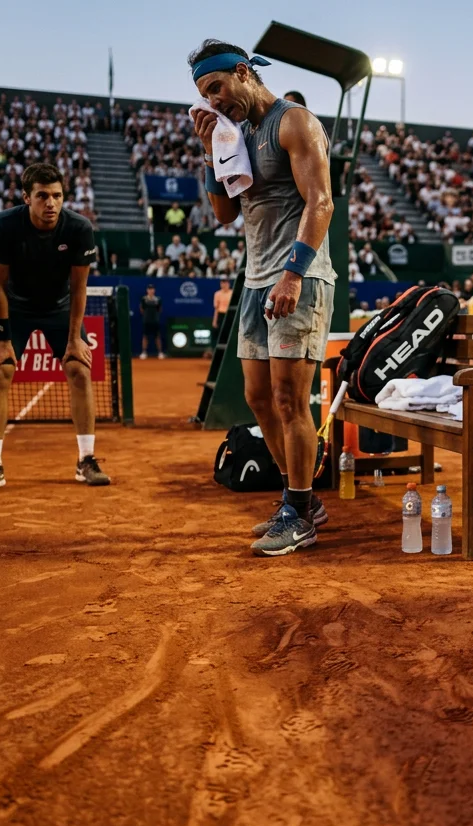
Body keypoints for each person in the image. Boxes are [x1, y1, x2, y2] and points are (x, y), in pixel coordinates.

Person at [190, 39, 337, 556]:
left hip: (299, 276)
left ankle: (298, 511)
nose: (213, 102)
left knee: (289, 400)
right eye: (205, 96)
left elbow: (321, 201)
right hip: (255, 281)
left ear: (243, 72)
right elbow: (225, 214)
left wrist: (294, 274)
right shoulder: (236, 133)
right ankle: (299, 497)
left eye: (217, 88)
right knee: (257, 398)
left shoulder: (294, 122)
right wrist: (211, 153)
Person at [0, 162, 109, 494]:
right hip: (14, 306)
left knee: (79, 369)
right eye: (43, 196)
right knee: (0, 370)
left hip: (59, 307)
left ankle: (86, 460)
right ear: (26, 198)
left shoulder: (78, 228)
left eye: (58, 196)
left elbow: (79, 289)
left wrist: (75, 337)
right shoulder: (3, 225)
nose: (51, 203)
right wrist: (3, 338)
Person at [139, 284, 165, 359]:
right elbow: (141, 309)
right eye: (149, 289)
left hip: (155, 321)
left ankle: (160, 352)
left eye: (152, 289)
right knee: (145, 336)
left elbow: (160, 310)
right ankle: (144, 352)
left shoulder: (158, 299)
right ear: (147, 290)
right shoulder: (143, 299)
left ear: (154, 290)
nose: (151, 290)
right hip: (146, 320)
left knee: (157, 337)